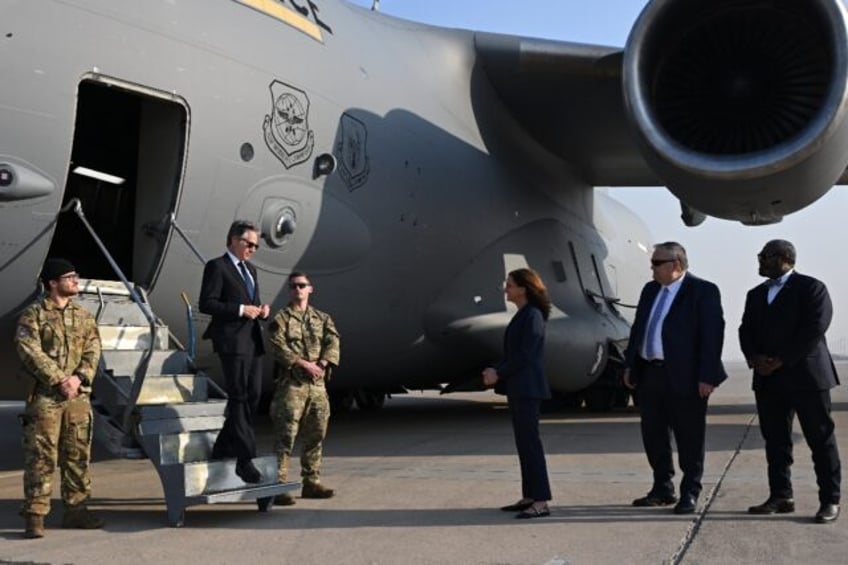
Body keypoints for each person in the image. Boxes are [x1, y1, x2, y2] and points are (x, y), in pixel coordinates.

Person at [739, 239, 841, 523]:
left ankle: (830, 500)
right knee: (776, 442)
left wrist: (782, 359)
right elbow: (745, 329)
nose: (759, 260)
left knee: (820, 441)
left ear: (784, 258)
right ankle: (781, 496)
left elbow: (815, 327)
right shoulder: (756, 294)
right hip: (768, 380)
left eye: (765, 256)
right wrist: (754, 358)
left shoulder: (811, 288)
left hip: (806, 378)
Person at [623, 242, 727, 515]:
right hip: (650, 374)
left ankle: (690, 492)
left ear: (676, 265)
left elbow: (712, 336)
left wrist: (707, 377)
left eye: (657, 263)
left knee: (689, 438)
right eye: (653, 262)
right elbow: (639, 330)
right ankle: (662, 488)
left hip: (687, 378)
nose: (652, 268)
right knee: (653, 435)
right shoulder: (650, 290)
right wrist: (630, 365)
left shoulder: (702, 291)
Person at [15, 258, 103, 538]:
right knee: (41, 457)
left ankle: (77, 511)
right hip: (46, 397)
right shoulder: (34, 315)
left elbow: (93, 349)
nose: (76, 280)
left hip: (77, 396)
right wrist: (58, 378)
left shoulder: (84, 316)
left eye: (76, 275)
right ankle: (35, 515)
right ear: (53, 283)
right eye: (69, 277)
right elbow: (28, 349)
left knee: (77, 454)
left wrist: (79, 378)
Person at [199, 220, 270, 483]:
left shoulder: (251, 269)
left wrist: (260, 311)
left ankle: (222, 445)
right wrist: (240, 310)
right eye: (249, 243)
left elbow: (251, 303)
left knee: (253, 396)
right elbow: (207, 303)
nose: (252, 249)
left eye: (255, 245)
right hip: (231, 341)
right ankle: (245, 459)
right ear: (233, 240)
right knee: (239, 396)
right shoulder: (217, 267)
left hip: (252, 340)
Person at [482, 268, 553, 519]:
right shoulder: (524, 315)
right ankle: (530, 495)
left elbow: (526, 355)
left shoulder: (531, 315)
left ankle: (541, 500)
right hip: (520, 387)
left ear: (523, 289)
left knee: (530, 444)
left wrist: (498, 373)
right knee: (524, 443)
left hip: (527, 388)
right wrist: (497, 369)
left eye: (509, 285)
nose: (505, 289)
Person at [268, 272, 340, 505]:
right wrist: (304, 363)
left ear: (310, 289)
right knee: (285, 436)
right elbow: (277, 345)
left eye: (302, 285)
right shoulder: (281, 318)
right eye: (293, 286)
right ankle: (279, 486)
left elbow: (333, 341)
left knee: (316, 434)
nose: (297, 289)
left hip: (317, 386)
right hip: (292, 386)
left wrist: (322, 363)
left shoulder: (322, 318)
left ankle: (311, 482)